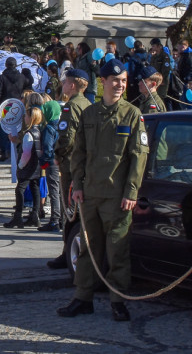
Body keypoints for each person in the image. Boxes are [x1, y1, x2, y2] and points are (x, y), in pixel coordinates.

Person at [58, 59, 147, 323]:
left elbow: (139, 156)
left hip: (117, 197)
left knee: (117, 251)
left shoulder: (131, 114)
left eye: (123, 81)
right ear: (104, 82)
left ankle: (118, 301)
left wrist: (131, 192)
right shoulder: (90, 114)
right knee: (88, 248)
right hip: (91, 195)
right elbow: (79, 154)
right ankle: (83, 297)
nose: (119, 85)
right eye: (115, 81)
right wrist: (78, 185)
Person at [46, 68, 91, 269]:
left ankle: (68, 251)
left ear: (72, 85)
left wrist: (58, 155)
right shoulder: (88, 104)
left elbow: (66, 137)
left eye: (65, 82)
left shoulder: (71, 107)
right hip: (84, 164)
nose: (62, 86)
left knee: (70, 211)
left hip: (71, 163)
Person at [5, 103, 44, 229]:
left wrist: (20, 166)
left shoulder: (29, 134)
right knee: (35, 189)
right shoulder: (39, 131)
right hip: (36, 167)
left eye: (26, 116)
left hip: (27, 167)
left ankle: (18, 216)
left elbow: (26, 153)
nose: (24, 118)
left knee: (20, 190)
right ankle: (35, 215)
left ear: (31, 118)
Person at [0, 57, 24, 161]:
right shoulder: (22, 77)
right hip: (18, 106)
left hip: (5, 106)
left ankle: (5, 152)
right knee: (18, 128)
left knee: (4, 129)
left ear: (6, 65)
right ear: (16, 65)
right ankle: (16, 151)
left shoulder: (1, 78)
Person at [38, 100, 63, 232]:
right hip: (61, 161)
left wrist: (44, 161)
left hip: (52, 162)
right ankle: (62, 219)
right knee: (60, 192)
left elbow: (47, 147)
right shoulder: (62, 126)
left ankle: (54, 220)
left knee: (53, 191)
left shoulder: (49, 128)